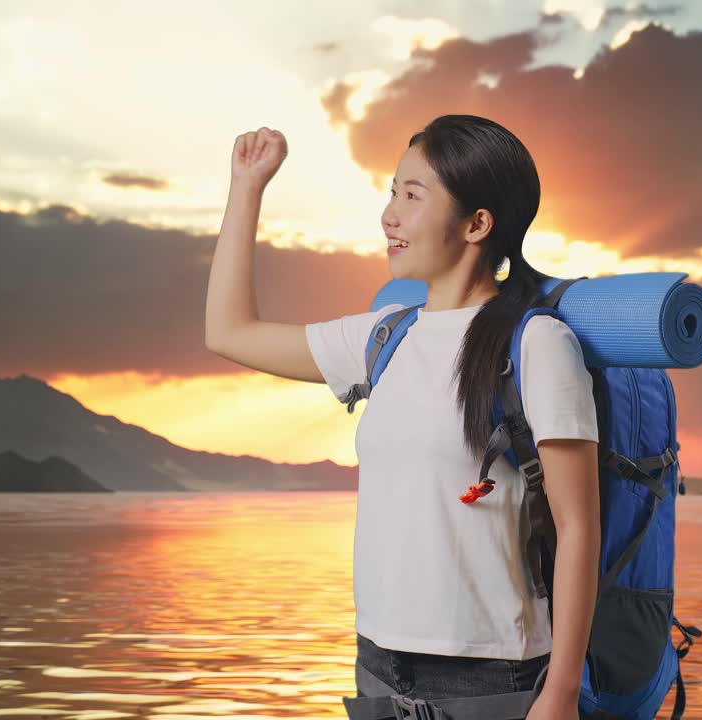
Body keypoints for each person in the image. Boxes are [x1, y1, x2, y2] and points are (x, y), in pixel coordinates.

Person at [205, 115, 600, 720]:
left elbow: (578, 529)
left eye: (412, 196)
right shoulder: (381, 338)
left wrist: (562, 693)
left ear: (477, 224)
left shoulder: (536, 344)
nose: (389, 215)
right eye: (392, 192)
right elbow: (228, 332)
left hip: (489, 671)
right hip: (378, 661)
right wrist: (247, 186)